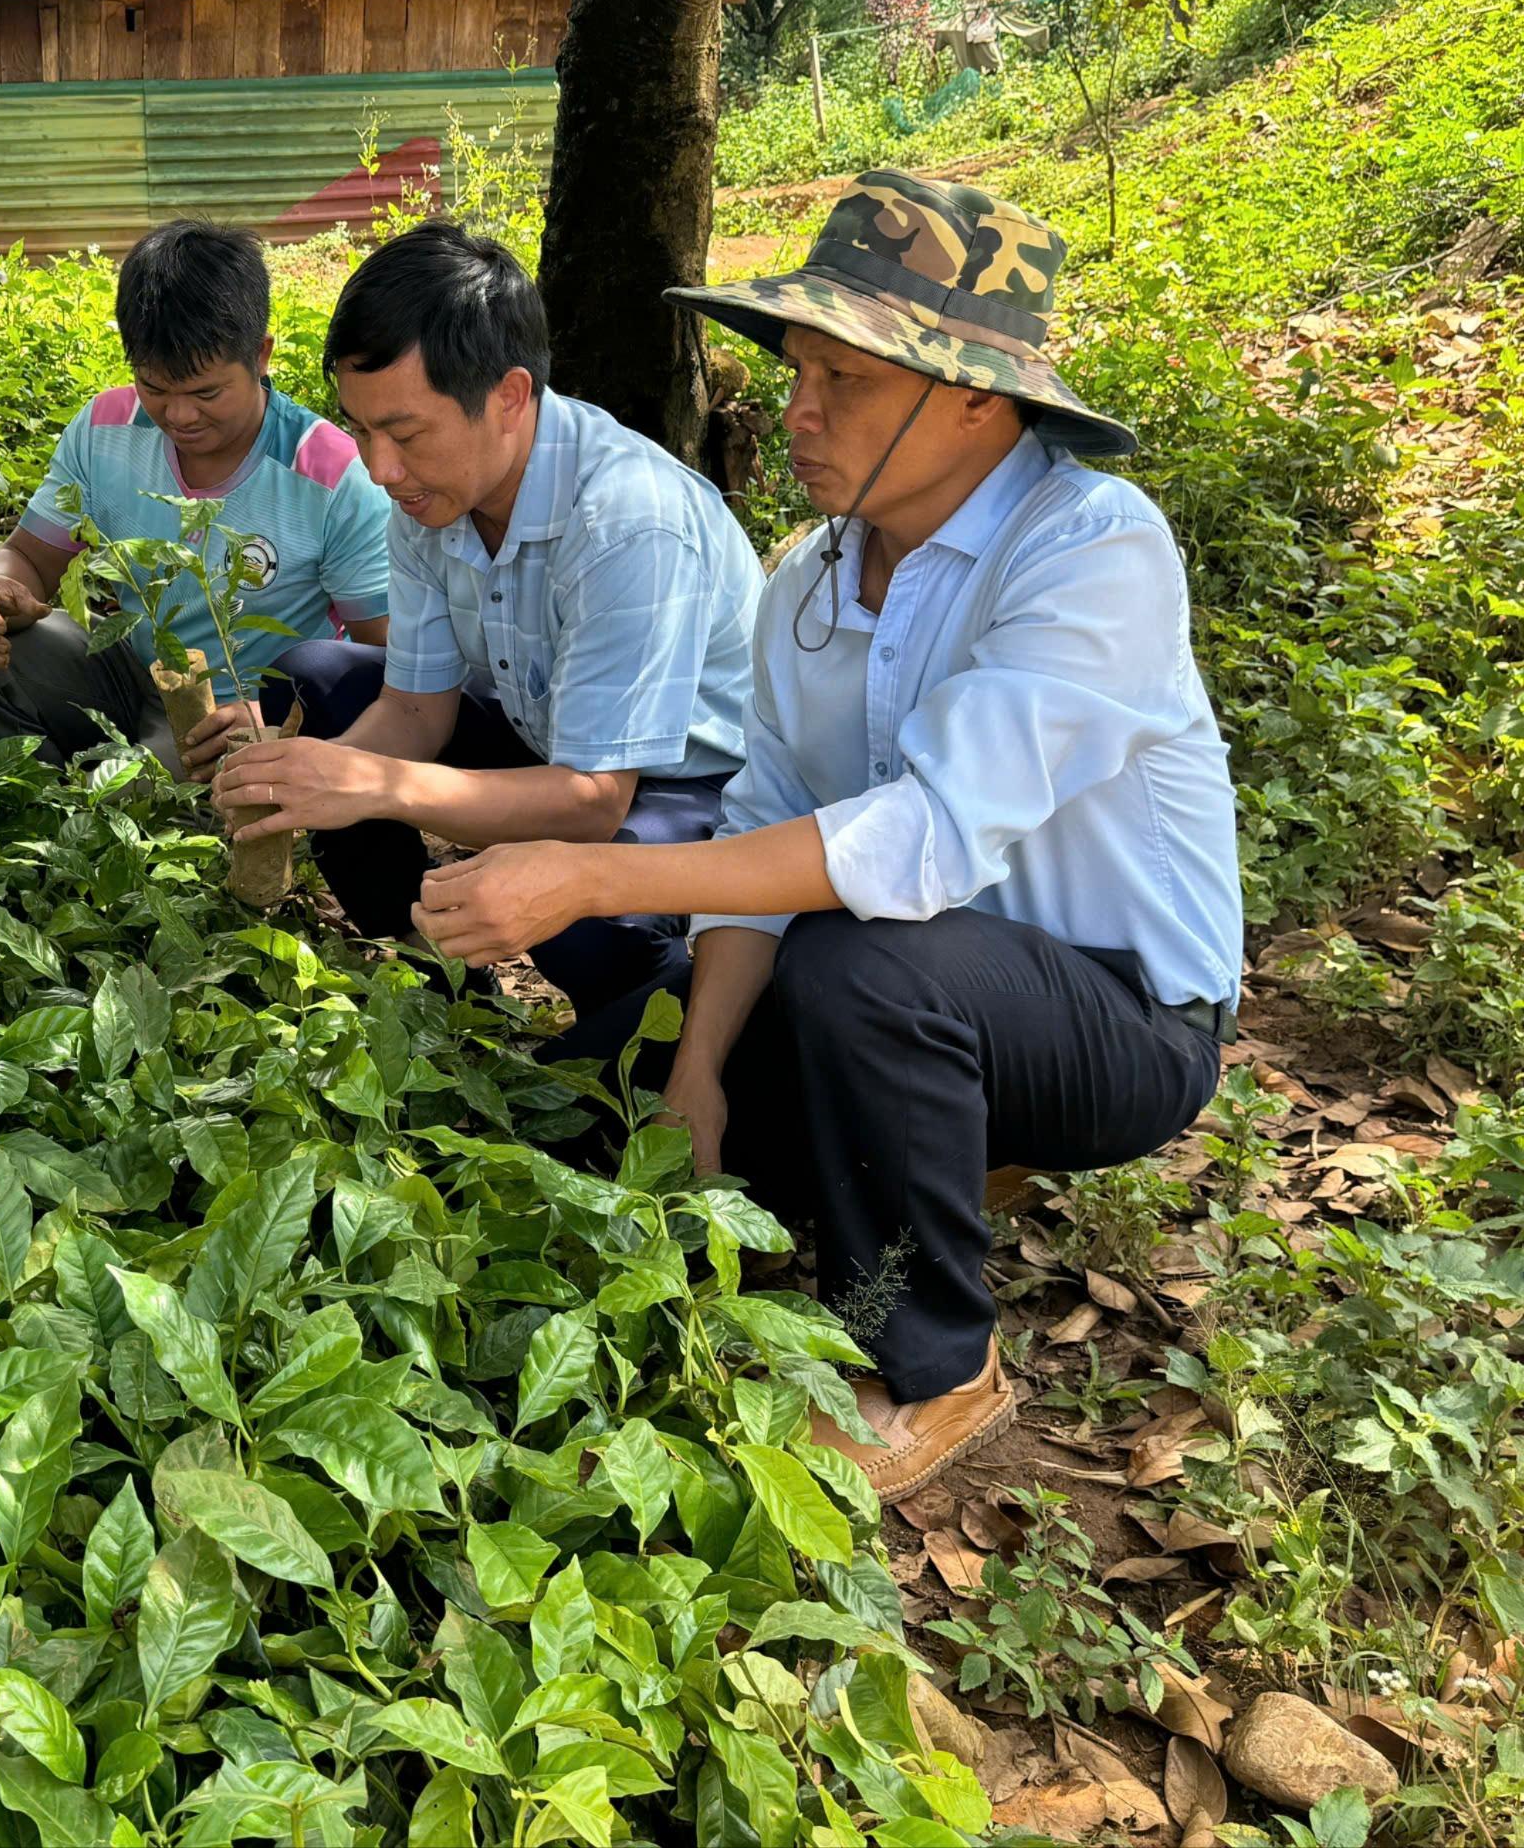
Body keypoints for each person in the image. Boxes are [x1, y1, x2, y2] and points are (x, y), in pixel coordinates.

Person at [409, 172, 1245, 1500]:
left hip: (1120, 1013)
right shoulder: (810, 576)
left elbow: (917, 844)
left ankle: (937, 1370)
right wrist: (698, 1069)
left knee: (861, 973)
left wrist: (587, 871)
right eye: (798, 369)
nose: (797, 407)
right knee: (621, 1059)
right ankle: (925, 1153)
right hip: (917, 979)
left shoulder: (1089, 548)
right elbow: (767, 820)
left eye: (844, 379)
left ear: (975, 395)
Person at [211, 222, 762, 1066]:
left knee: (585, 918)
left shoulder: (625, 521)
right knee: (316, 684)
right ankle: (443, 990)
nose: (380, 469)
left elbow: (593, 799)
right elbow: (413, 709)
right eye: (360, 432)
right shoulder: (428, 494)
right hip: (552, 742)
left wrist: (377, 783)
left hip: (685, 785)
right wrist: (308, 788)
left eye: (405, 433)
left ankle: (647, 1006)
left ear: (509, 396)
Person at [0, 219, 392, 779]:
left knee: (147, 783)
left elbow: (381, 659)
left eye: (206, 392)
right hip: (131, 675)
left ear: (261, 355)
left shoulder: (332, 473)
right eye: (154, 387)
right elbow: (30, 556)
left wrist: (273, 714)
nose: (179, 416)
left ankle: (104, 809)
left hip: (237, 714)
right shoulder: (103, 428)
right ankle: (37, 802)